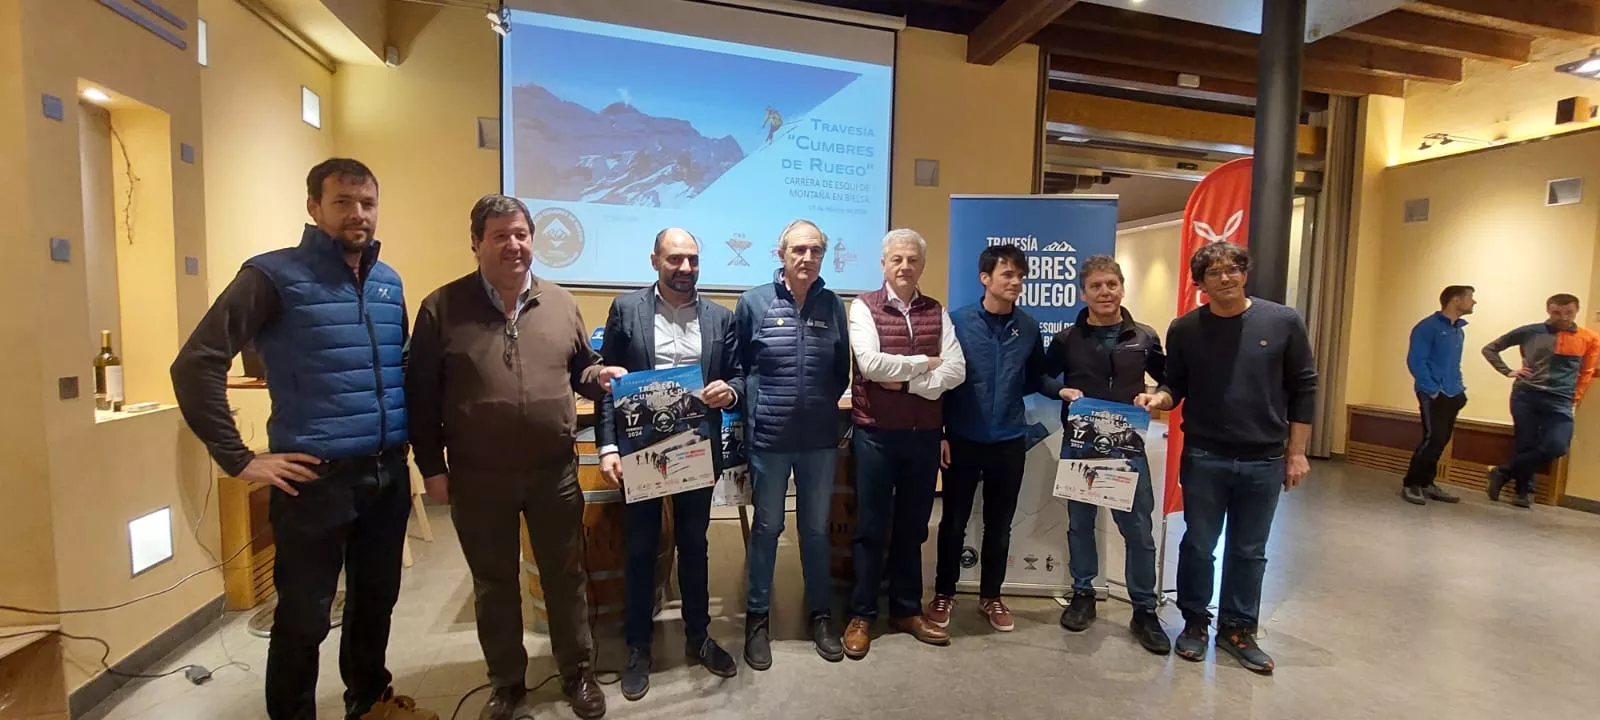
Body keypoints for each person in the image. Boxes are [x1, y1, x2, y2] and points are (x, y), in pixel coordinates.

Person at [171, 159, 434, 720]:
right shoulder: (271, 276)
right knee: (305, 617)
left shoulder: (388, 283)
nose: (357, 214)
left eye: (367, 203)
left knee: (375, 604)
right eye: (342, 202)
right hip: (314, 481)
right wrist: (239, 459)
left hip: (386, 472)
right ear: (314, 207)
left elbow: (399, 366)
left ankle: (371, 703)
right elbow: (196, 363)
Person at [407, 195, 626, 720]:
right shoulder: (442, 307)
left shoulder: (561, 302)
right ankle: (506, 684)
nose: (514, 245)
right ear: (476, 242)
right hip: (478, 477)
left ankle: (578, 674)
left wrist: (599, 376)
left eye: (522, 234)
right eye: (500, 236)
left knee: (565, 578)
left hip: (554, 473)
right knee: (494, 584)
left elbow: (581, 367)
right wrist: (432, 467)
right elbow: (420, 395)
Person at [1138, 242, 1317, 675]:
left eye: (1233, 269)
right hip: (1205, 455)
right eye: (1215, 273)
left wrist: (1296, 452)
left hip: (1264, 458)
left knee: (1250, 551)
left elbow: (1304, 387)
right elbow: (1175, 385)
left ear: (1244, 272)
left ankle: (1238, 630)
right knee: (1199, 544)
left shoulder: (1282, 321)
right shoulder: (1186, 329)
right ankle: (1195, 623)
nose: (1226, 278)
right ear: (1200, 284)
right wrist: (1158, 398)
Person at [596, 228, 742, 700]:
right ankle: (638, 647)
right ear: (655, 260)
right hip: (641, 450)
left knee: (694, 546)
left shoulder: (720, 317)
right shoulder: (626, 310)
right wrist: (608, 446)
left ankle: (699, 636)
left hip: (696, 448)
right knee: (641, 549)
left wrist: (730, 391)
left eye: (693, 259)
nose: (685, 268)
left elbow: (740, 375)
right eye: (675, 258)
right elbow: (606, 383)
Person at [928, 244, 1068, 633]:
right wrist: (941, 433)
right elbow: (941, 383)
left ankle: (991, 595)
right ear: (985, 278)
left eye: (1021, 276)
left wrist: (1061, 391)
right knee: (953, 521)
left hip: (1009, 440)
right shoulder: (956, 322)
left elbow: (1035, 378)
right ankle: (944, 593)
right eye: (1008, 274)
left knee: (999, 524)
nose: (1016, 282)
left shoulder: (1028, 327)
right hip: (962, 437)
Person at [841, 229, 966, 659]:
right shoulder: (864, 306)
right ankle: (862, 614)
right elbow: (871, 365)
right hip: (875, 433)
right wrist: (926, 364)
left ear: (922, 265)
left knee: (914, 528)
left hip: (923, 436)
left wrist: (910, 384)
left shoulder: (936, 311)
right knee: (871, 528)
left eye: (912, 259)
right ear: (883, 264)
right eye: (896, 259)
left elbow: (957, 370)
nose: (905, 266)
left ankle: (907, 610)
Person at [736, 219, 851, 668]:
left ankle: (820, 614)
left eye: (815, 250)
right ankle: (757, 619)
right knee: (767, 528)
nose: (807, 257)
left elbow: (840, 370)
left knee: (816, 530)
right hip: (770, 439)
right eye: (799, 249)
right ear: (780, 253)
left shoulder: (833, 305)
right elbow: (741, 367)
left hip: (819, 441)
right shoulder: (753, 302)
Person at [1042, 255, 1169, 655]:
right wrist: (1060, 391)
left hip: (1127, 445)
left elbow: (1170, 381)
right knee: (1080, 524)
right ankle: (1083, 594)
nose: (1105, 292)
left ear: (1122, 288)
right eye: (1095, 286)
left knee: (1138, 531)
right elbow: (1040, 377)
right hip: (1081, 443)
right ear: (1083, 293)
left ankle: (1144, 609)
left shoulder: (1145, 337)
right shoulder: (1067, 339)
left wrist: (1158, 397)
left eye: (1111, 284)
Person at [1482, 293, 1600, 508]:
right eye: (1556, 312)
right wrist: (1508, 371)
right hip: (1526, 395)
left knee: (1557, 446)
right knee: (1525, 444)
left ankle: (1502, 472)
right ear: (1548, 311)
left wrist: (1575, 397)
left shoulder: (1589, 338)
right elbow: (1490, 349)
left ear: (1577, 311)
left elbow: (1587, 371)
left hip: (1561, 400)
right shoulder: (1531, 331)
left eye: (1569, 312)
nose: (1563, 317)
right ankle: (1523, 493)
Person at [1400, 286, 1476, 505]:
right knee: (1432, 439)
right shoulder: (1427, 327)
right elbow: (1416, 361)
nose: (1473, 302)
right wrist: (1432, 390)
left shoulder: (1458, 331)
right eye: (1470, 298)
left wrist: (1459, 390)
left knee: (1441, 440)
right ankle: (1411, 483)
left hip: (1453, 392)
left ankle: (1427, 482)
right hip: (1433, 393)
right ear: (1455, 300)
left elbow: (1454, 364)